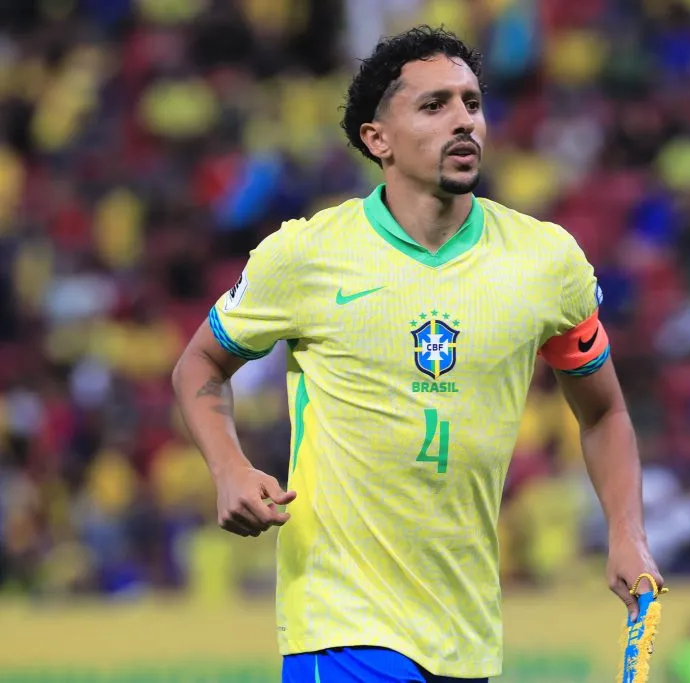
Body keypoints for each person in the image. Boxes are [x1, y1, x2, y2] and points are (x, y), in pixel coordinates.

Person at [171, 25, 662, 683]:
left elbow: (604, 414)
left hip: (466, 633)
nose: (463, 120)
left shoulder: (546, 263)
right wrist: (228, 466)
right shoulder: (307, 255)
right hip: (341, 625)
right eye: (434, 106)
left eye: (471, 103)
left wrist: (626, 531)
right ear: (378, 140)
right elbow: (199, 364)